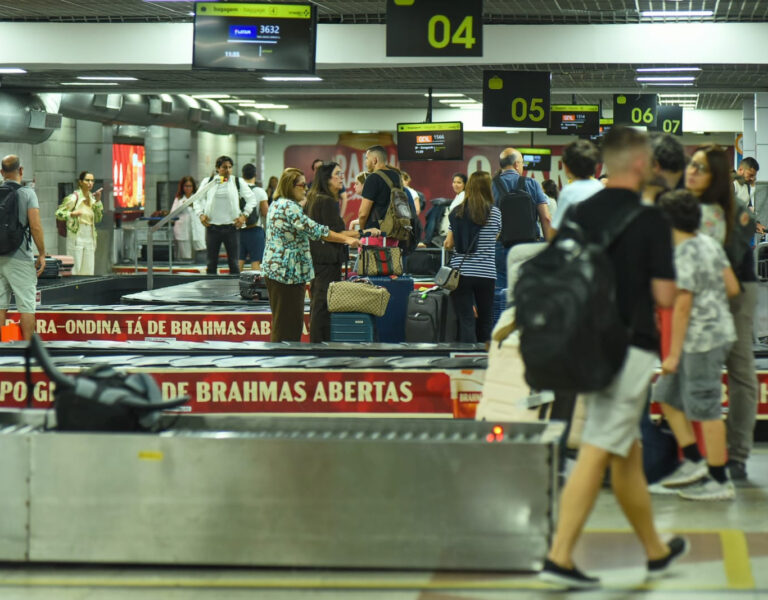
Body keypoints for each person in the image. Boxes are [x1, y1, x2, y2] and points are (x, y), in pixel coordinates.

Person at [539, 127, 685, 590]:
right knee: (600, 447)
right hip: (630, 347)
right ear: (641, 164)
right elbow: (664, 295)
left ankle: (656, 552)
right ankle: (559, 557)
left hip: (586, 342)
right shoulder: (650, 220)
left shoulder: (580, 210)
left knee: (626, 452)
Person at [652, 190, 739, 500]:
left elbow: (683, 305)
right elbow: (731, 286)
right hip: (716, 332)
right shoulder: (708, 243)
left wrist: (673, 354)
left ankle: (718, 480)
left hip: (701, 340)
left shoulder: (685, 252)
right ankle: (693, 460)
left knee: (706, 408)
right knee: (665, 395)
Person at [686, 145, 759, 481]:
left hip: (736, 295)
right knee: (703, 370)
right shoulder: (688, 209)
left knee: (741, 371)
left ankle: (738, 453)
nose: (691, 172)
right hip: (701, 295)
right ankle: (705, 452)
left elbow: (724, 262)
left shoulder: (738, 211)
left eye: (699, 167)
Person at [262, 168, 359, 342]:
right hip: (287, 274)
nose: (306, 188)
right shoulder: (290, 207)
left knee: (281, 322)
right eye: (301, 185)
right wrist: (347, 239)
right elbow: (317, 230)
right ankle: (284, 362)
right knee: (289, 326)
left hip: (276, 271)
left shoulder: (277, 203)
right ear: (290, 186)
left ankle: (280, 360)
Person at [305, 162, 373, 342]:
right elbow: (333, 233)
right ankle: (320, 344)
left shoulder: (314, 198)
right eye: (338, 174)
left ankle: (318, 342)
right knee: (323, 304)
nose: (342, 177)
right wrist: (361, 233)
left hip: (317, 258)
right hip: (327, 259)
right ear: (326, 179)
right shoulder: (326, 202)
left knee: (318, 302)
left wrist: (360, 233)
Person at [443, 172, 501, 344]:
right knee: (486, 318)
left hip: (462, 274)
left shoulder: (457, 213)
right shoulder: (495, 212)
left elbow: (448, 244)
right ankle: (484, 360)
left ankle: (466, 359)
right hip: (487, 273)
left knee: (466, 319)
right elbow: (496, 236)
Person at [0, 155, 46, 340]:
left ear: (2, 172)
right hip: (19, 257)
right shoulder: (27, 193)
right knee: (26, 306)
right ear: (21, 170)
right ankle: (28, 350)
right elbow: (35, 226)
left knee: (0, 306)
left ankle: (1, 350)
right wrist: (42, 253)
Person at [190, 155, 258, 275]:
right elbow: (196, 199)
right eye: (224, 167)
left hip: (231, 228)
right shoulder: (208, 181)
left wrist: (244, 216)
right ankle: (210, 291)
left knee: (234, 264)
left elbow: (252, 199)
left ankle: (235, 291)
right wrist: (200, 214)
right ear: (217, 168)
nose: (227, 170)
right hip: (212, 228)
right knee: (211, 264)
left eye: (230, 167)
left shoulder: (237, 182)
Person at [550, 140, 602, 236]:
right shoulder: (601, 188)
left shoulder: (569, 191)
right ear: (596, 166)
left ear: (566, 167)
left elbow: (555, 230)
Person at [55, 170, 103, 275]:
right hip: (77, 235)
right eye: (87, 180)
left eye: (92, 181)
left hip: (90, 236)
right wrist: (71, 214)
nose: (90, 183)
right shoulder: (73, 197)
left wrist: (98, 201)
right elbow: (58, 213)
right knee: (75, 270)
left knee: (88, 271)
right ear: (80, 182)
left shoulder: (92, 199)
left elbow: (98, 219)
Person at [238, 163, 269, 272]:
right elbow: (266, 213)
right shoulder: (260, 191)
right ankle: (255, 288)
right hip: (255, 231)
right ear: (255, 174)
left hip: (238, 230)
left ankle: (232, 285)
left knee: (239, 261)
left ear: (242, 174)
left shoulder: (237, 191)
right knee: (255, 262)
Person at [170, 176, 202, 261]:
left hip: (195, 229)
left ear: (193, 187)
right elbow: (172, 214)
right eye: (186, 186)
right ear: (182, 187)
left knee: (198, 255)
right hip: (182, 230)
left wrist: (193, 205)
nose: (188, 188)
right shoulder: (179, 198)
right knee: (184, 256)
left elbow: (204, 210)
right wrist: (182, 205)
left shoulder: (197, 197)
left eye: (190, 186)